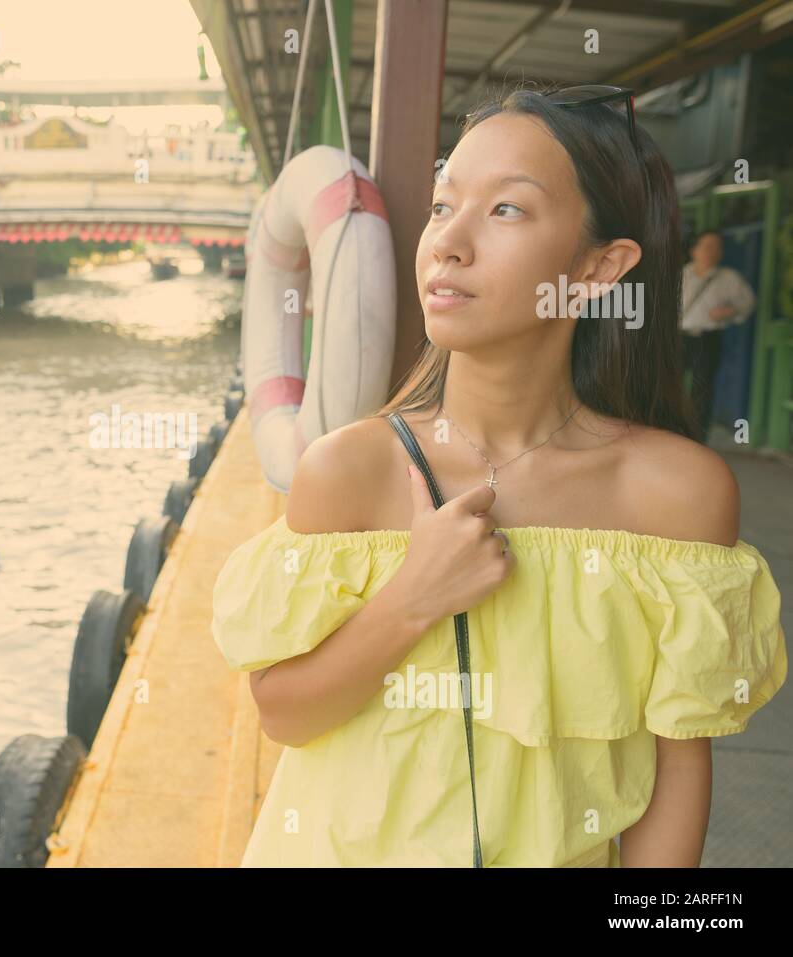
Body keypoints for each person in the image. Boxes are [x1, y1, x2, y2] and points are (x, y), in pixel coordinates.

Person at [211, 84, 787, 867]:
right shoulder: (349, 468)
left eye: (506, 210)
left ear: (596, 268)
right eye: (445, 205)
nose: (448, 241)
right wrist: (410, 599)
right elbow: (282, 712)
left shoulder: (674, 495)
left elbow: (679, 762)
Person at [679, 230, 756, 442]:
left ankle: (696, 438)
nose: (713, 252)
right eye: (708, 246)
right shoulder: (681, 275)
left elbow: (748, 303)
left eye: (717, 247)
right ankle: (667, 432)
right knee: (667, 384)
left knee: (702, 387)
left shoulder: (729, 279)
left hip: (707, 337)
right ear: (694, 250)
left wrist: (730, 311)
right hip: (678, 336)